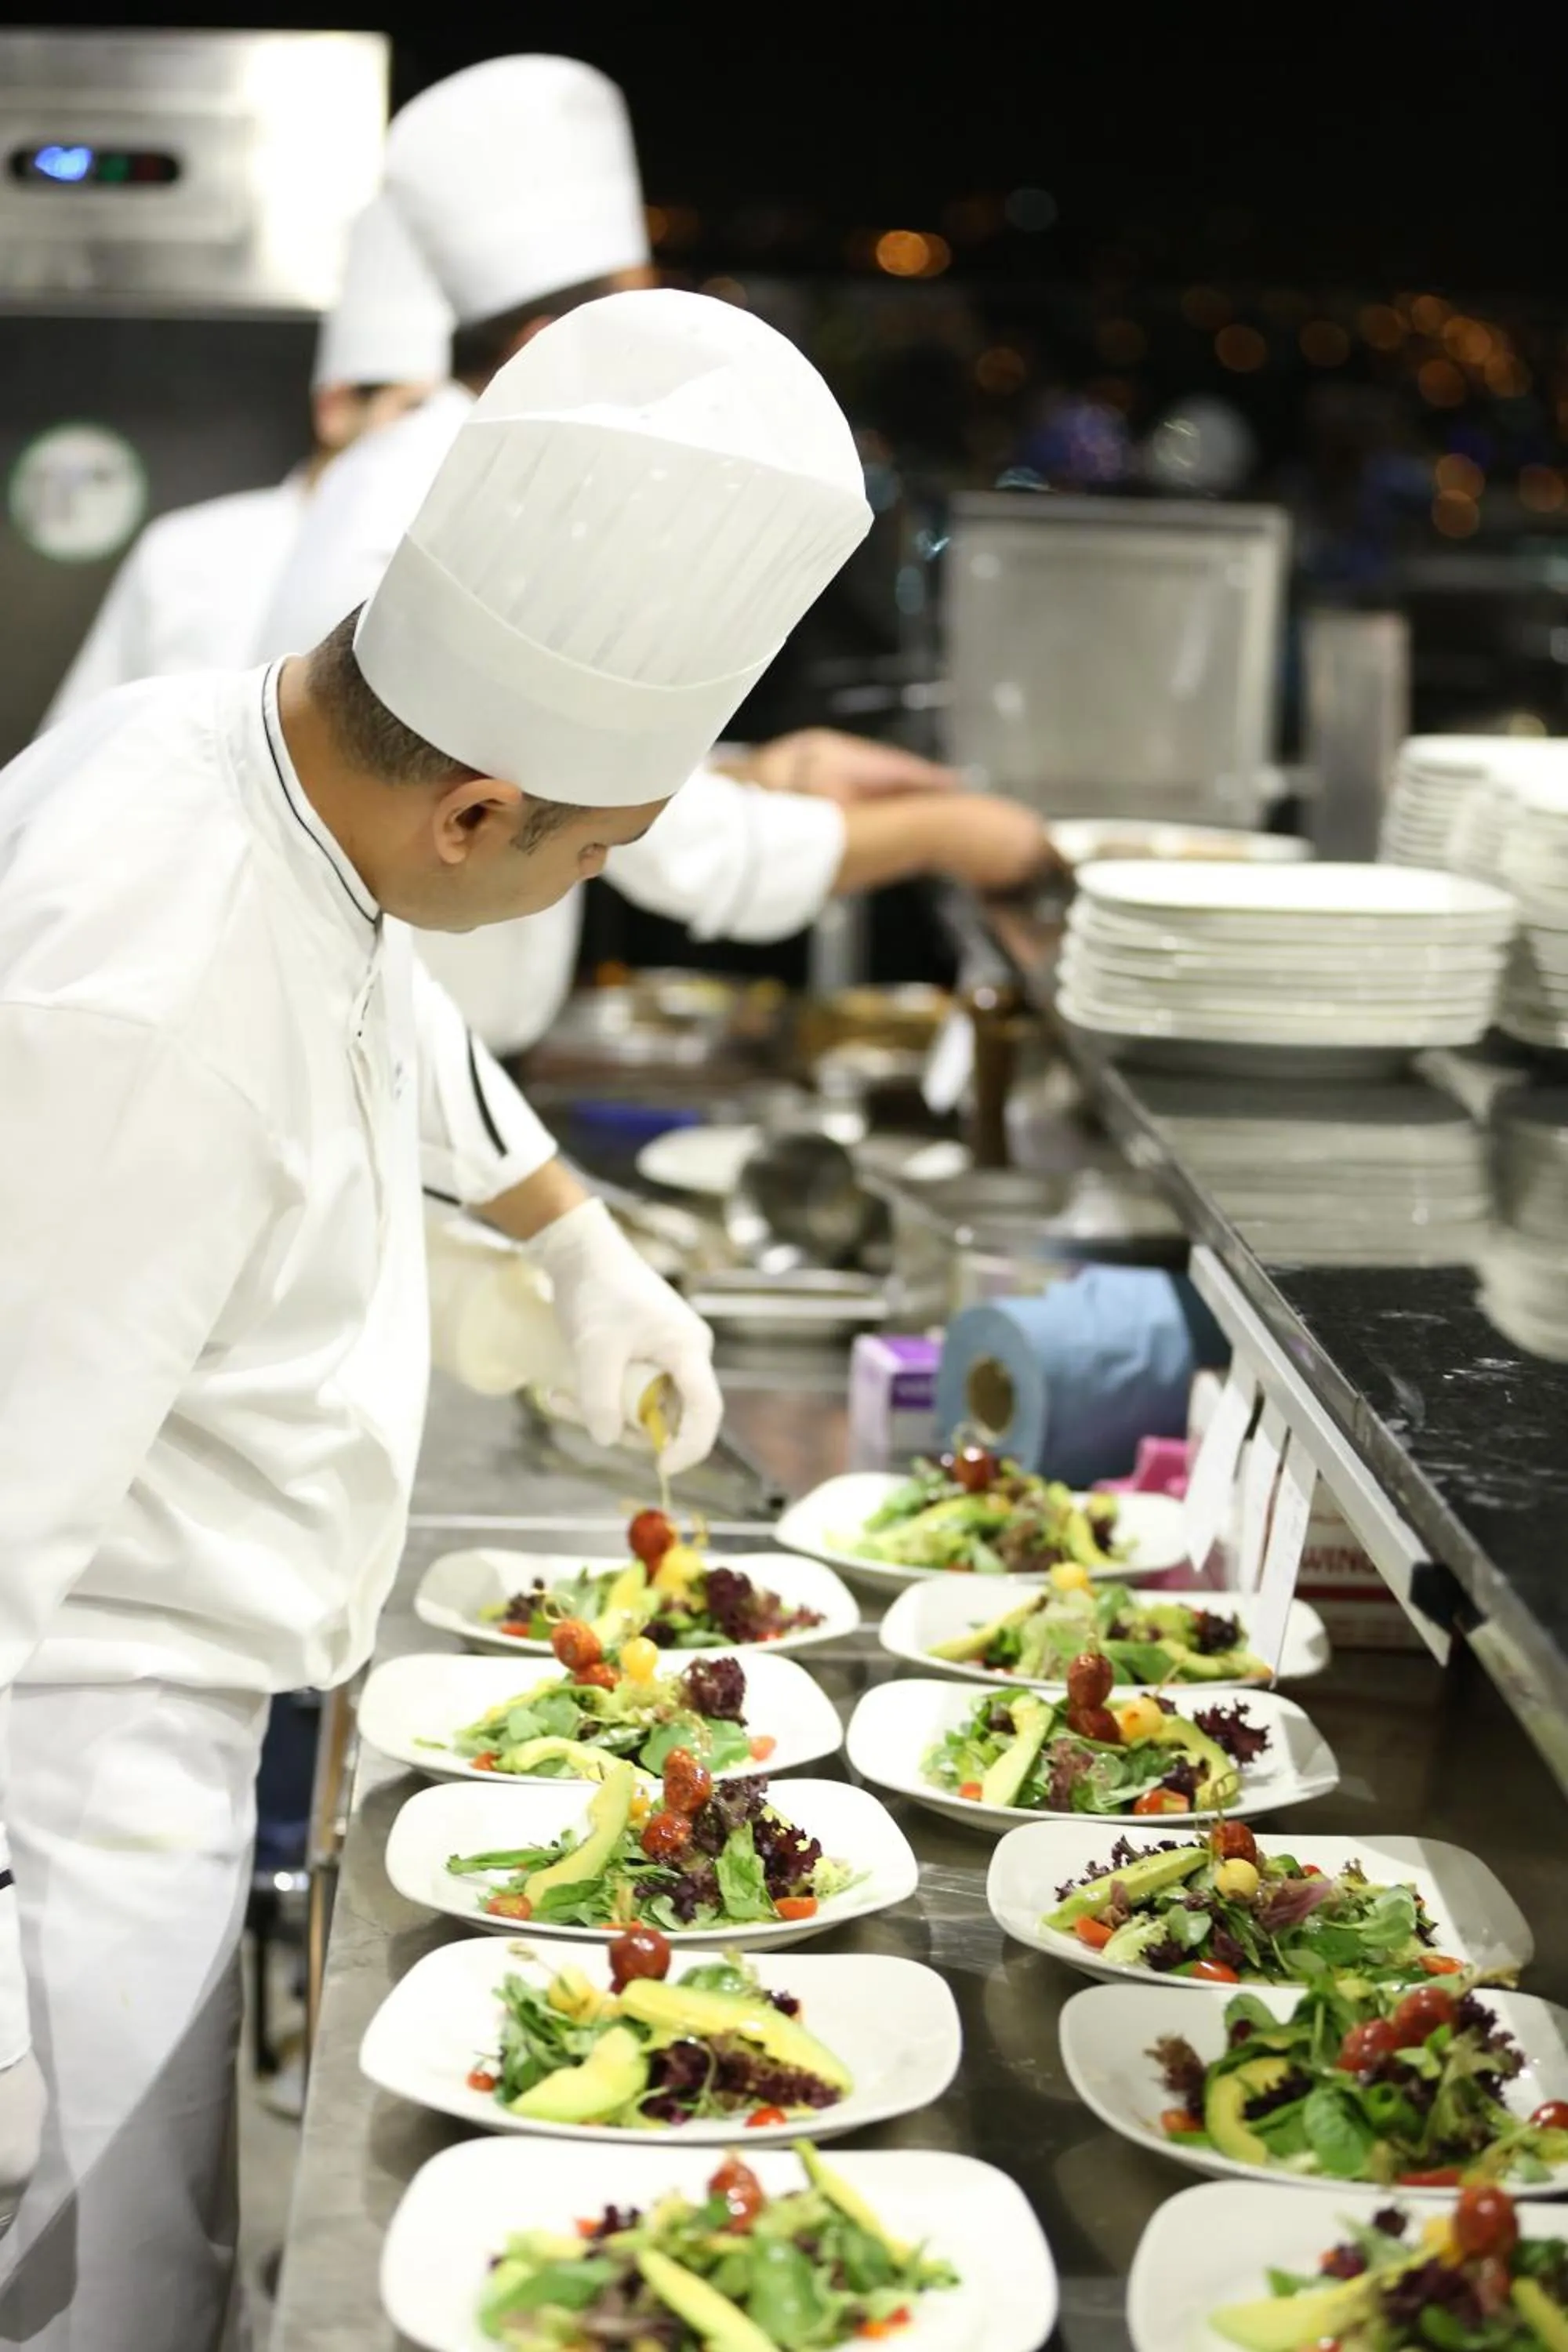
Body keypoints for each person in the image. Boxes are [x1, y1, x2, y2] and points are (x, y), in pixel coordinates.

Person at [0, 288, 869, 2349]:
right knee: (107, 2310)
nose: (576, 891)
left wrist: (565, 1227)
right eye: (594, 856)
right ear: (477, 810)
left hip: (159, 1728)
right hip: (76, 1787)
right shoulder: (146, 1023)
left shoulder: (233, 747)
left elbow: (365, 979)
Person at [254, 55, 1055, 1056]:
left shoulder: (429, 462)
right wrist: (956, 835)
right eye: (631, 320)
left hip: (419, 1056)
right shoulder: (477, 494)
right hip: (393, 1042)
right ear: (552, 338)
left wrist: (759, 769)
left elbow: (570, 772)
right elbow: (626, 828)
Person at [38, 195, 452, 729]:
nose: (435, 440)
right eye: (414, 411)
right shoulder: (186, 553)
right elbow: (78, 746)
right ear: (335, 408)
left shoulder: (441, 577)